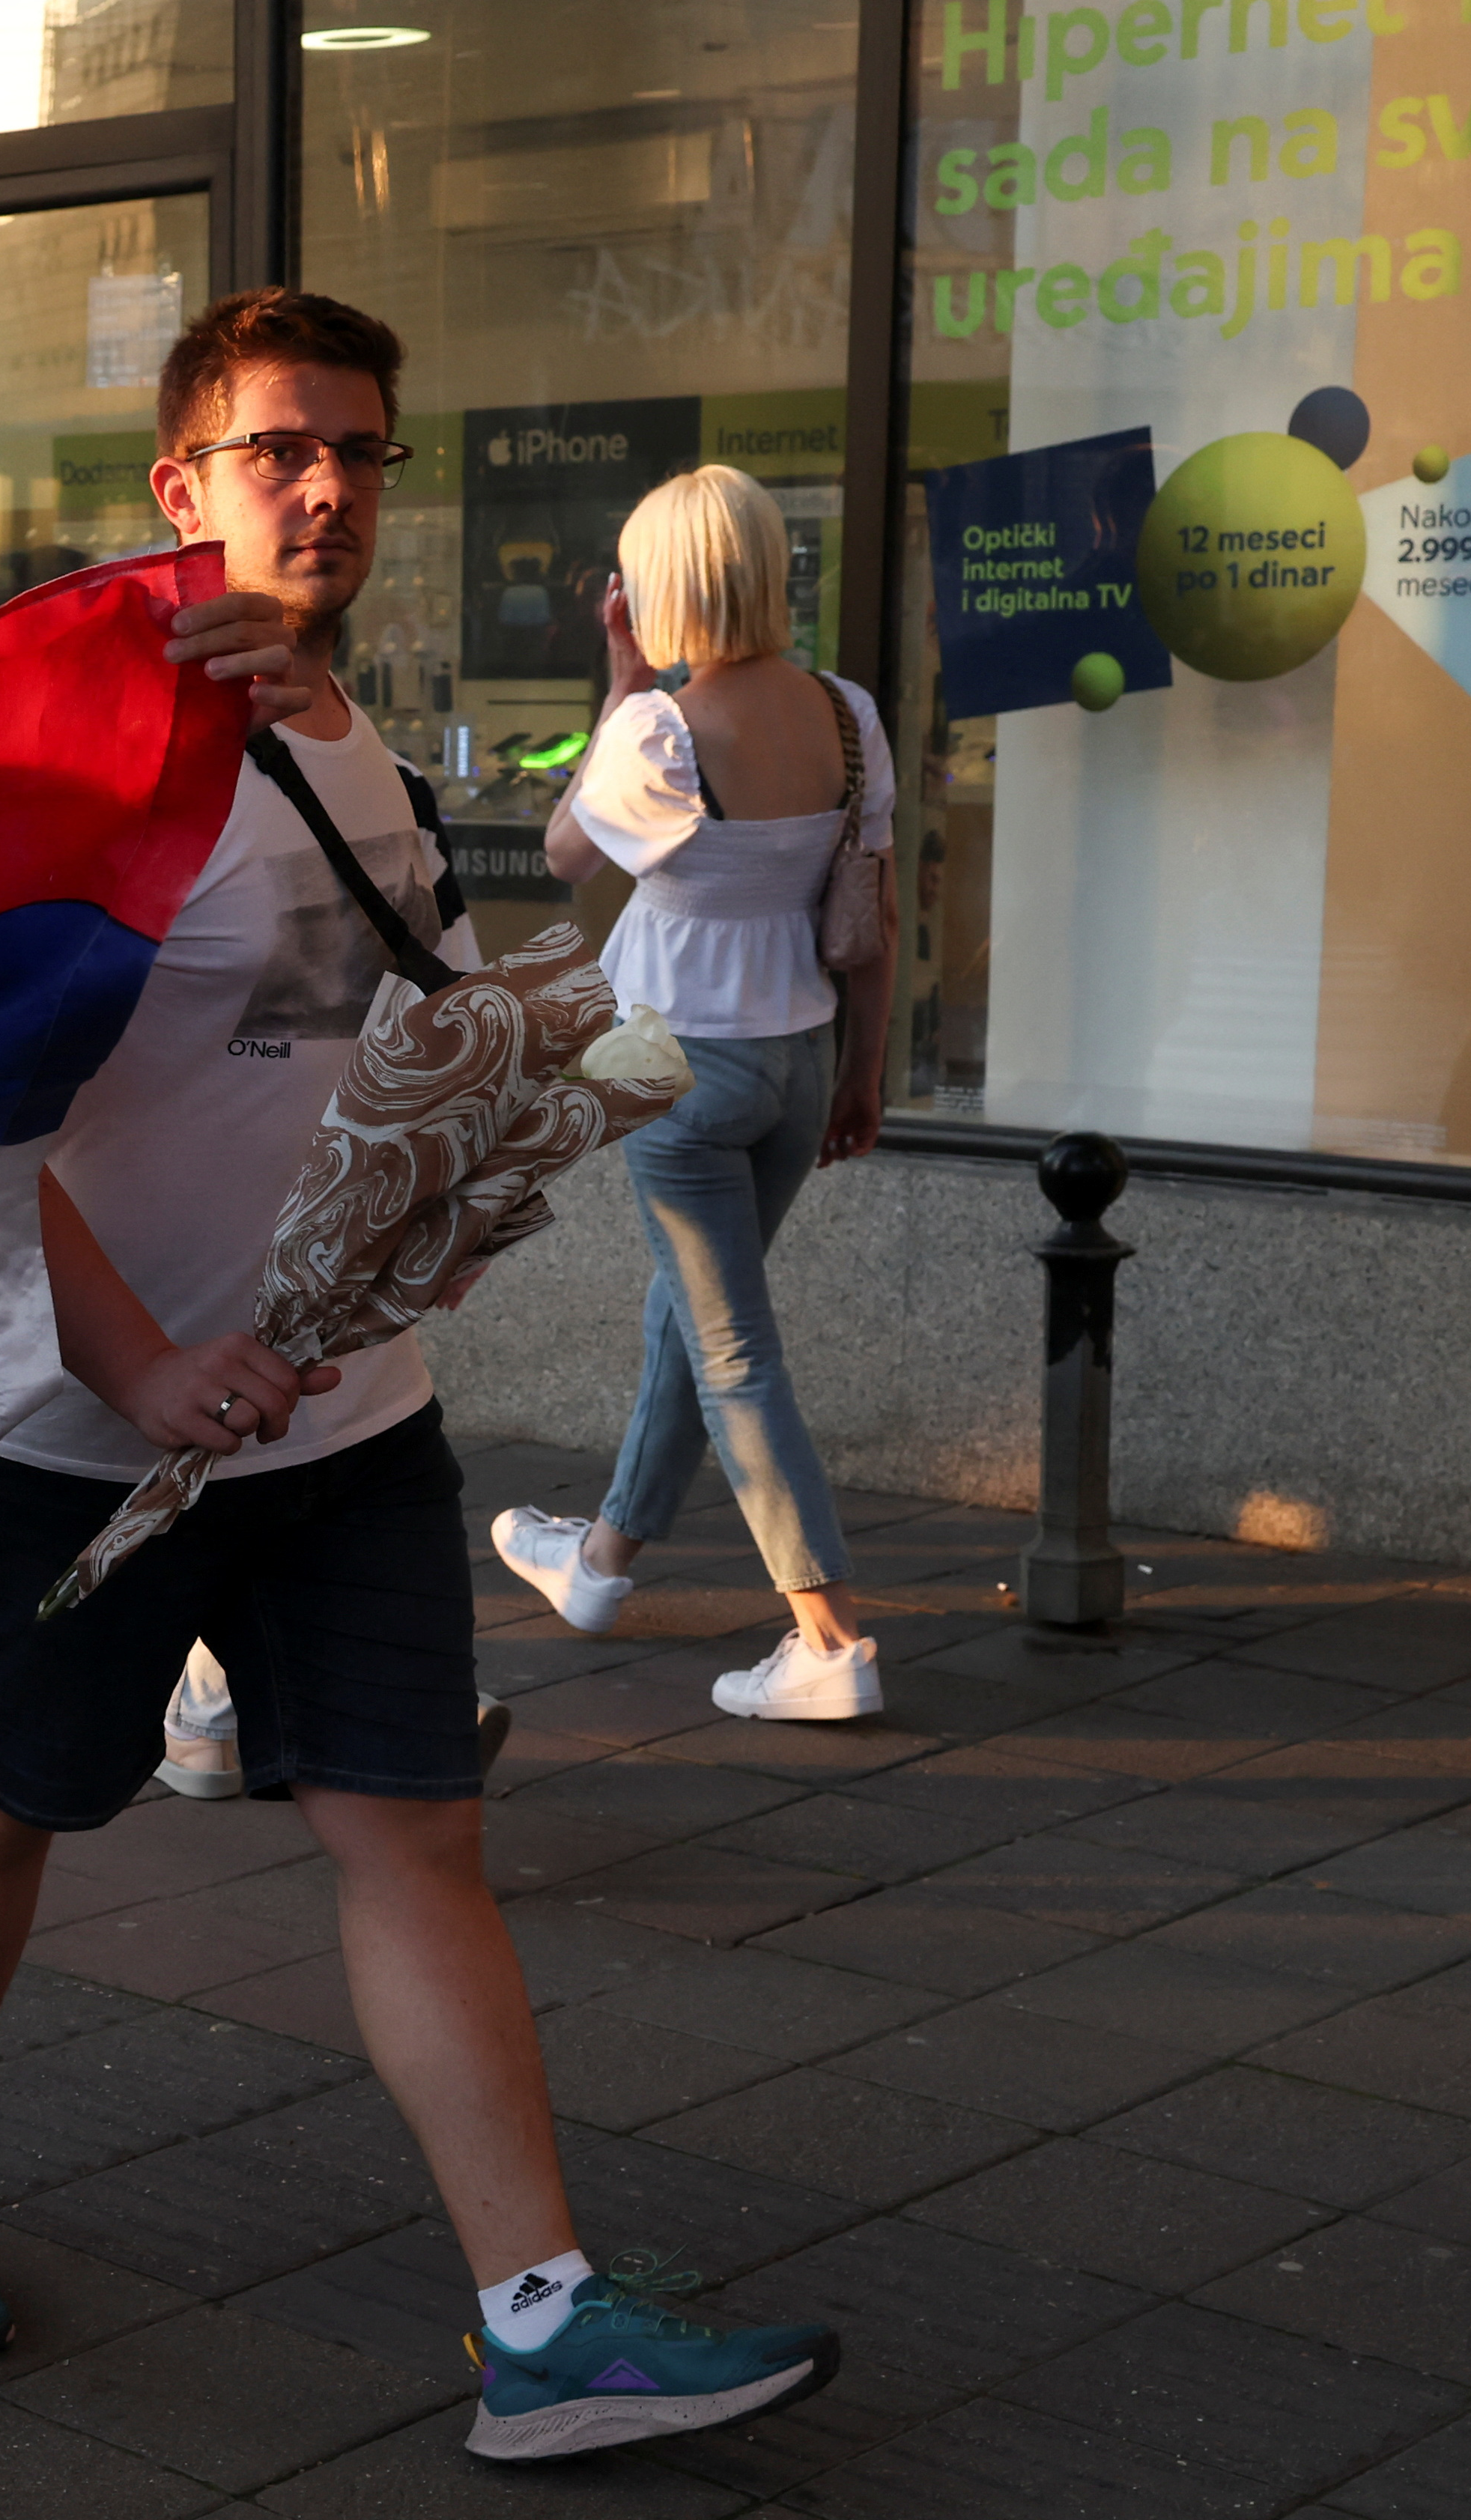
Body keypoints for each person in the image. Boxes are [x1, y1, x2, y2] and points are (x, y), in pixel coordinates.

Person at [0, 290, 842, 2465]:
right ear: (176, 485)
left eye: (361, 451)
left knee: (415, 1831)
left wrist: (450, 1193)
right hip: (86, 1441)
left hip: (346, 1415)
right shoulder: (69, 761)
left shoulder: (339, 729)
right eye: (279, 449)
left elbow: (417, 1007)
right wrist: (133, 1356)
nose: (327, 488)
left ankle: (539, 2317)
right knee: (3, 1800)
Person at [493, 466, 897, 1722]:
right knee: (694, 1310)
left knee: (732, 1349)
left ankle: (829, 1639)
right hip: (801, 1055)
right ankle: (601, 1561)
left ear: (658, 587)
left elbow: (564, 852)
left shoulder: (657, 730)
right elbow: (874, 919)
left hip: (667, 1062)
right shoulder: (848, 716)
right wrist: (864, 1071)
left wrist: (620, 683)